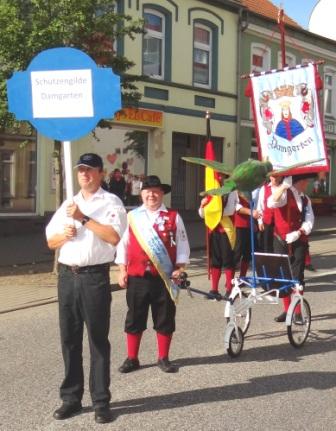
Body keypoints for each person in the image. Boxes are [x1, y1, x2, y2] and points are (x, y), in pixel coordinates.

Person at [46, 153, 127, 424]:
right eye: (81, 170)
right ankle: (71, 398)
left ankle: (101, 401)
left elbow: (114, 237)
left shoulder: (111, 202)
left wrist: (83, 219)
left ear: (100, 173)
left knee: (97, 339)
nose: (85, 175)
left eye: (90, 170)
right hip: (68, 276)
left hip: (94, 277)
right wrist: (63, 235)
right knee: (69, 338)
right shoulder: (69, 202)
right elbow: (50, 241)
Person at [115, 175, 190, 373]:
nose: (152, 195)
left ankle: (163, 358)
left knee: (164, 318)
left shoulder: (174, 216)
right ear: (141, 194)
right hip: (137, 277)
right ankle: (132, 358)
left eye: (156, 191)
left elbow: (182, 244)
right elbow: (123, 244)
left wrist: (180, 268)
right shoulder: (132, 217)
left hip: (164, 278)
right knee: (134, 318)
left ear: (162, 193)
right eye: (148, 191)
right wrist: (121, 269)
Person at [267, 173, 315, 322]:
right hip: (281, 239)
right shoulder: (284, 195)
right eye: (305, 181)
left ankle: (298, 312)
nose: (307, 184)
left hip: (298, 240)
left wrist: (299, 232)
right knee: (283, 276)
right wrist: (284, 186)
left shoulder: (306, 199)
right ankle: (287, 310)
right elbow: (271, 202)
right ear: (298, 182)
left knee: (297, 276)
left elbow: (309, 220)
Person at [199, 191, 240, 300]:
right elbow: (202, 214)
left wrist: (211, 209)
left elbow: (230, 210)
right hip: (214, 229)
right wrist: (203, 205)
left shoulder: (231, 192)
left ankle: (229, 290)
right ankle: (214, 289)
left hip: (226, 230)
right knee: (215, 260)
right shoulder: (211, 191)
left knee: (228, 260)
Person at [233, 193, 260, 277]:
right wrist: (250, 212)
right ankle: (230, 279)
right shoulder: (234, 191)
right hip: (238, 224)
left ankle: (242, 277)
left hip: (248, 224)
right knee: (237, 253)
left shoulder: (247, 189)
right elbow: (236, 207)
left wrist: (252, 222)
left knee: (248, 253)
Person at [257, 176, 283, 253]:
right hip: (267, 221)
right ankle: (268, 264)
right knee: (266, 245)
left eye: (276, 176)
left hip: (280, 221)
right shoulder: (264, 188)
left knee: (279, 245)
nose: (274, 178)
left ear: (280, 177)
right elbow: (260, 206)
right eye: (272, 176)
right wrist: (260, 221)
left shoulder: (283, 188)